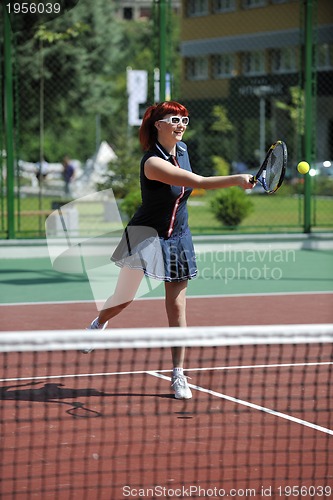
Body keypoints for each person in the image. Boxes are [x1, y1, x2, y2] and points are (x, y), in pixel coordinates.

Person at [84, 101, 256, 399]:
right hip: (146, 235)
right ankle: (99, 322)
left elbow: (189, 184)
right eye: (174, 119)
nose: (180, 124)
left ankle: (178, 373)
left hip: (178, 237)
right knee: (123, 299)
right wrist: (237, 180)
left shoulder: (184, 150)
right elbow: (197, 182)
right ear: (157, 125)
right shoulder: (152, 163)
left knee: (176, 306)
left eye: (185, 119)